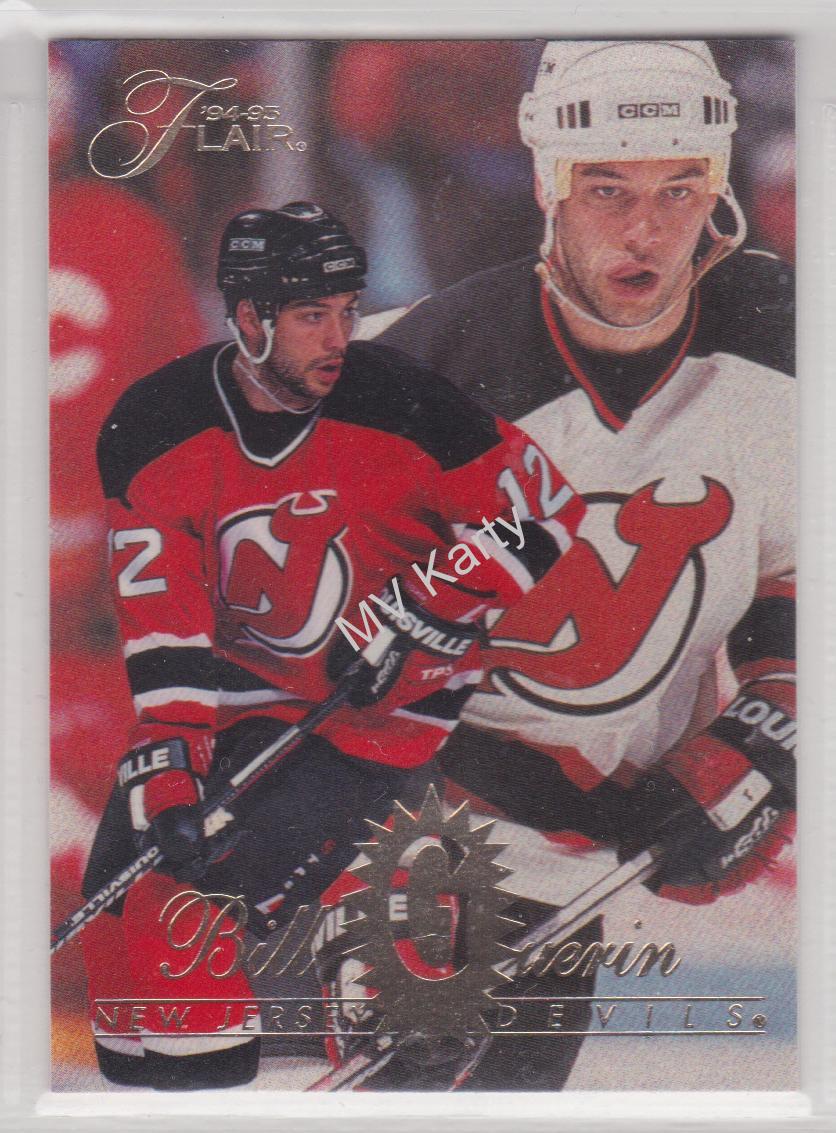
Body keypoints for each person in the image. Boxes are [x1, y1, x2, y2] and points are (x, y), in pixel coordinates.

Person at [80, 201, 584, 1090]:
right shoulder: (155, 421)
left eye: (348, 311)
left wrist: (424, 607)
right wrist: (171, 767)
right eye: (314, 315)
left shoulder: (403, 399)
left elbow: (545, 510)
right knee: (116, 941)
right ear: (248, 319)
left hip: (373, 716)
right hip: (235, 704)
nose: (340, 337)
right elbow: (165, 616)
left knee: (178, 908)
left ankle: (386, 945)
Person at [376, 39, 796, 1089]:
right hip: (407, 838)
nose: (644, 229)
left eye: (677, 189)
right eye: (607, 189)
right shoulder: (416, 373)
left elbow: (801, 577)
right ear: (546, 184)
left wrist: (770, 730)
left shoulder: (786, 348)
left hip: (570, 880)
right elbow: (312, 656)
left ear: (718, 188)